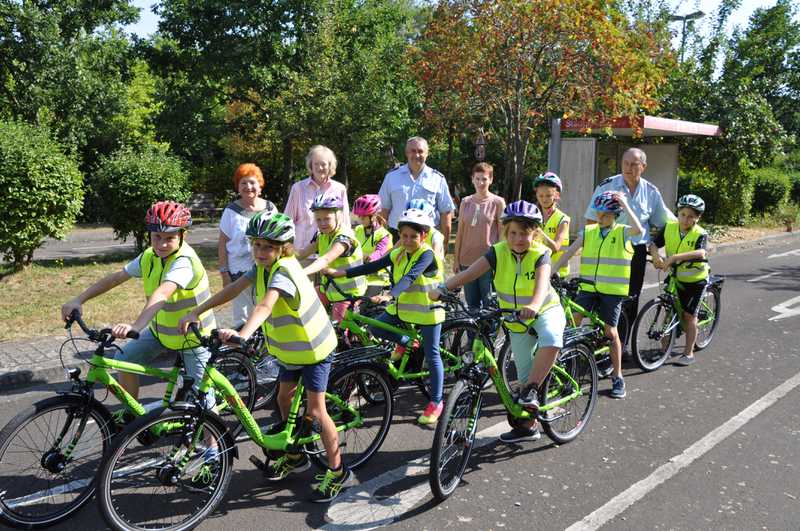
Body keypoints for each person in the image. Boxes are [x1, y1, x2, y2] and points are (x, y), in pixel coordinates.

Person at [179, 212, 348, 503]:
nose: (260, 252)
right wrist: (198, 309)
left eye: (267, 246)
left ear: (283, 247)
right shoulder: (261, 268)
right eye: (255, 245)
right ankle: (294, 456)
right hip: (290, 350)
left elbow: (266, 305)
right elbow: (233, 288)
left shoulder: (284, 271)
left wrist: (243, 333)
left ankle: (337, 470)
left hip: (314, 350)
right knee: (283, 399)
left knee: (317, 411)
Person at [61, 201, 216, 410]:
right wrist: (79, 299)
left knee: (203, 402)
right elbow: (116, 278)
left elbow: (163, 292)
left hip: (193, 338)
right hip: (161, 333)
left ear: (182, 235)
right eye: (156, 237)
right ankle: (133, 412)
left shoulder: (184, 261)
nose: (161, 244)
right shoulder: (149, 256)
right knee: (125, 359)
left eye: (169, 238)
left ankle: (214, 442)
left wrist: (135, 327)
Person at [432, 200, 566, 443]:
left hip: (544, 310)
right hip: (515, 319)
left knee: (551, 338)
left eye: (524, 233)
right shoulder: (498, 251)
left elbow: (542, 284)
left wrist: (534, 306)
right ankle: (527, 427)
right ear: (506, 232)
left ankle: (535, 389)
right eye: (513, 233)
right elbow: (470, 272)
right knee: (523, 378)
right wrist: (443, 287)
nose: (518, 238)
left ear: (534, 233)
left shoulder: (540, 253)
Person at [325, 208, 446, 425]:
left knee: (433, 354)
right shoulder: (399, 252)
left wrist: (390, 294)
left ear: (424, 236)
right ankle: (408, 342)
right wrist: (339, 273)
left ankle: (436, 402)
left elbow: (410, 277)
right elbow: (372, 266)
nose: (407, 240)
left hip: (427, 311)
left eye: (413, 236)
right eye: (404, 236)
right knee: (376, 328)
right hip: (403, 309)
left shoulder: (427, 254)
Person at [556, 191, 644, 399]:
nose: (600, 217)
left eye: (605, 214)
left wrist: (624, 202)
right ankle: (569, 363)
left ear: (615, 214)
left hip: (611, 292)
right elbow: (568, 253)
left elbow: (639, 229)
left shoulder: (622, 232)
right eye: (598, 213)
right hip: (588, 288)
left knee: (610, 331)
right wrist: (550, 273)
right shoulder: (589, 232)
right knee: (572, 321)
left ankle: (618, 376)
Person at [584, 147, 675, 326]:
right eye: (625, 163)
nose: (628, 167)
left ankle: (622, 344)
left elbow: (667, 223)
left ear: (643, 167)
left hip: (636, 251)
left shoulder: (651, 191)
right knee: (604, 297)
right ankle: (602, 341)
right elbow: (591, 221)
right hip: (609, 249)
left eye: (634, 164)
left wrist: (656, 248)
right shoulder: (607, 186)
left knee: (631, 298)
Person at [648, 194, 710, 366]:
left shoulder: (700, 233)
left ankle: (688, 352)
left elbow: (701, 253)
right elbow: (654, 244)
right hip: (676, 277)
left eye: (691, 216)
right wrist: (655, 256)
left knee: (690, 317)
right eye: (682, 214)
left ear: (698, 217)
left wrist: (674, 257)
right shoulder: (669, 227)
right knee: (669, 311)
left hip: (695, 281)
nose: (685, 219)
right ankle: (664, 350)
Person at [218, 163, 276, 325]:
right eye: (243, 183)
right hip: (239, 273)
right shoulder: (230, 211)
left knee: (267, 313)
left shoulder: (270, 208)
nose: (248, 186)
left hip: (267, 271)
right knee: (242, 318)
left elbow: (280, 239)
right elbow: (222, 244)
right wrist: (224, 273)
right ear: (238, 187)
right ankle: (244, 348)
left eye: (252, 182)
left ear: (260, 185)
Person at [379, 136, 455, 252]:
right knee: (397, 269)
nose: (417, 155)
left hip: (427, 236)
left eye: (420, 151)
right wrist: (382, 241)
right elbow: (383, 210)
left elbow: (446, 213)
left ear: (427, 153)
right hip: (397, 235)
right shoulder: (391, 177)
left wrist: (444, 243)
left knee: (425, 270)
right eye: (413, 151)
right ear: (406, 153)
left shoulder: (437, 178)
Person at [297, 194, 366, 322]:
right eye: (318, 220)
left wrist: (302, 272)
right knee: (304, 308)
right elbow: (303, 253)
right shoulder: (322, 235)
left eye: (327, 219)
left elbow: (325, 259)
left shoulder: (344, 238)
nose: (322, 224)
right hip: (329, 289)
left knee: (339, 330)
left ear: (338, 215)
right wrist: (280, 255)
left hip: (349, 293)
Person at [453, 162, 506, 312]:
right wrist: (456, 259)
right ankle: (472, 336)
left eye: (484, 179)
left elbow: (503, 234)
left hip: (488, 261)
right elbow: (460, 232)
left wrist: (500, 260)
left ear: (491, 180)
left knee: (489, 303)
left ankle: (488, 335)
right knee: (472, 305)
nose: (481, 183)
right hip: (466, 260)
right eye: (477, 179)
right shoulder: (466, 202)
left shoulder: (498, 202)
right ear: (472, 179)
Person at [284, 145, 350, 251]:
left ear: (330, 166)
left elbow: (345, 222)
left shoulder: (340, 189)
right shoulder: (298, 188)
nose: (320, 168)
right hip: (302, 251)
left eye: (323, 164)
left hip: (330, 252)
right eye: (316, 164)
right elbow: (287, 220)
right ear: (310, 166)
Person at [352, 194, 393, 297]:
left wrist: (367, 257)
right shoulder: (358, 230)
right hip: (360, 275)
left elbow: (379, 254)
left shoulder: (384, 235)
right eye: (359, 216)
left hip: (377, 280)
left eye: (364, 216)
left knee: (363, 306)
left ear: (374, 215)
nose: (360, 218)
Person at [533, 172, 570, 278]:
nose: (544, 199)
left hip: (557, 273)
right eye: (540, 195)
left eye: (548, 195)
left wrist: (539, 233)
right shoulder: (533, 215)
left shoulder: (563, 219)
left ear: (556, 195)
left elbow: (556, 247)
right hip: (536, 270)